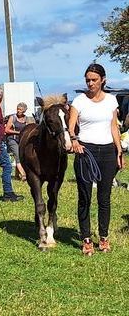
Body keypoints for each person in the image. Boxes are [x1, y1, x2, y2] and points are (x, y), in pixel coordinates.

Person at [69, 63, 123, 256]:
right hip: (86, 151)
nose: (90, 83)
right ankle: (86, 239)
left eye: (94, 80)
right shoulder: (79, 101)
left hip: (108, 151)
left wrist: (118, 150)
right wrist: (74, 140)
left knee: (104, 198)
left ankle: (103, 237)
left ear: (103, 80)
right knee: (85, 197)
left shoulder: (111, 101)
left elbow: (114, 127)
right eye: (88, 80)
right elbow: (71, 125)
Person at [5, 102, 29, 180]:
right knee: (18, 156)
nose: (18, 111)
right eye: (18, 109)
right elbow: (7, 130)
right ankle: (24, 175)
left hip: (21, 140)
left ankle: (16, 176)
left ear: (24, 111)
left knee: (21, 156)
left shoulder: (26, 119)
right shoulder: (13, 117)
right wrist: (18, 132)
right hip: (12, 139)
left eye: (20, 109)